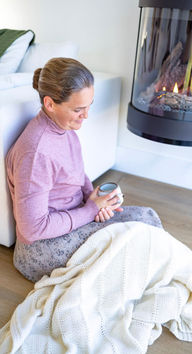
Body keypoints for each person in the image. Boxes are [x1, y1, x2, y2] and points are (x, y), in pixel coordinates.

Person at [6, 57, 162, 282]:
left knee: (147, 218)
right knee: (139, 238)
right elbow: (33, 229)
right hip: (41, 249)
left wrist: (94, 198)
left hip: (74, 217)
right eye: (78, 109)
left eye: (89, 106)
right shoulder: (36, 153)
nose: (86, 115)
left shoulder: (64, 128)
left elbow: (76, 174)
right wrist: (90, 211)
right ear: (50, 104)